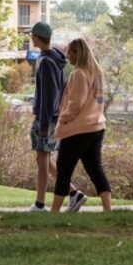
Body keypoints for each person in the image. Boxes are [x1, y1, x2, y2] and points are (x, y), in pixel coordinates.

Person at [28, 21, 84, 212]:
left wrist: (43, 124)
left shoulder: (45, 61)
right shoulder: (55, 60)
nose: (31, 39)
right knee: (42, 158)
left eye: (31, 36)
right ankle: (74, 193)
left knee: (42, 159)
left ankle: (40, 203)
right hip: (53, 117)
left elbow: (47, 96)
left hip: (46, 118)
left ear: (37, 37)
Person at [51, 39, 111, 212]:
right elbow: (98, 100)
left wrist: (63, 118)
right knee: (95, 168)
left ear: (79, 53)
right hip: (97, 126)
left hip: (78, 129)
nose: (68, 56)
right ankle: (108, 209)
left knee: (63, 170)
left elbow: (76, 103)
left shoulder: (79, 74)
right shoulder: (97, 73)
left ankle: (54, 211)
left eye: (70, 52)